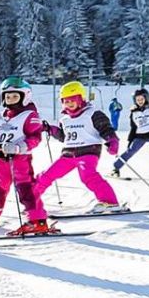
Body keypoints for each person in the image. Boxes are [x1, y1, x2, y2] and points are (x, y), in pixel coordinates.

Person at [0, 76, 54, 236]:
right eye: (7, 96)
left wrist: (19, 147)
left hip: (20, 160)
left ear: (25, 97)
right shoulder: (0, 117)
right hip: (1, 160)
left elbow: (35, 138)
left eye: (15, 96)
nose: (10, 99)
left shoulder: (30, 115)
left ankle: (37, 220)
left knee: (25, 189)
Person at [32, 80, 122, 213]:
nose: (69, 104)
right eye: (65, 101)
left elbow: (106, 129)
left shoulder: (93, 113)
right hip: (68, 154)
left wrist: (112, 141)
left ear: (80, 99)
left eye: (72, 100)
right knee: (47, 175)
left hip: (88, 152)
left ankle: (110, 202)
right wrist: (50, 129)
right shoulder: (65, 119)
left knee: (88, 175)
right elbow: (64, 137)